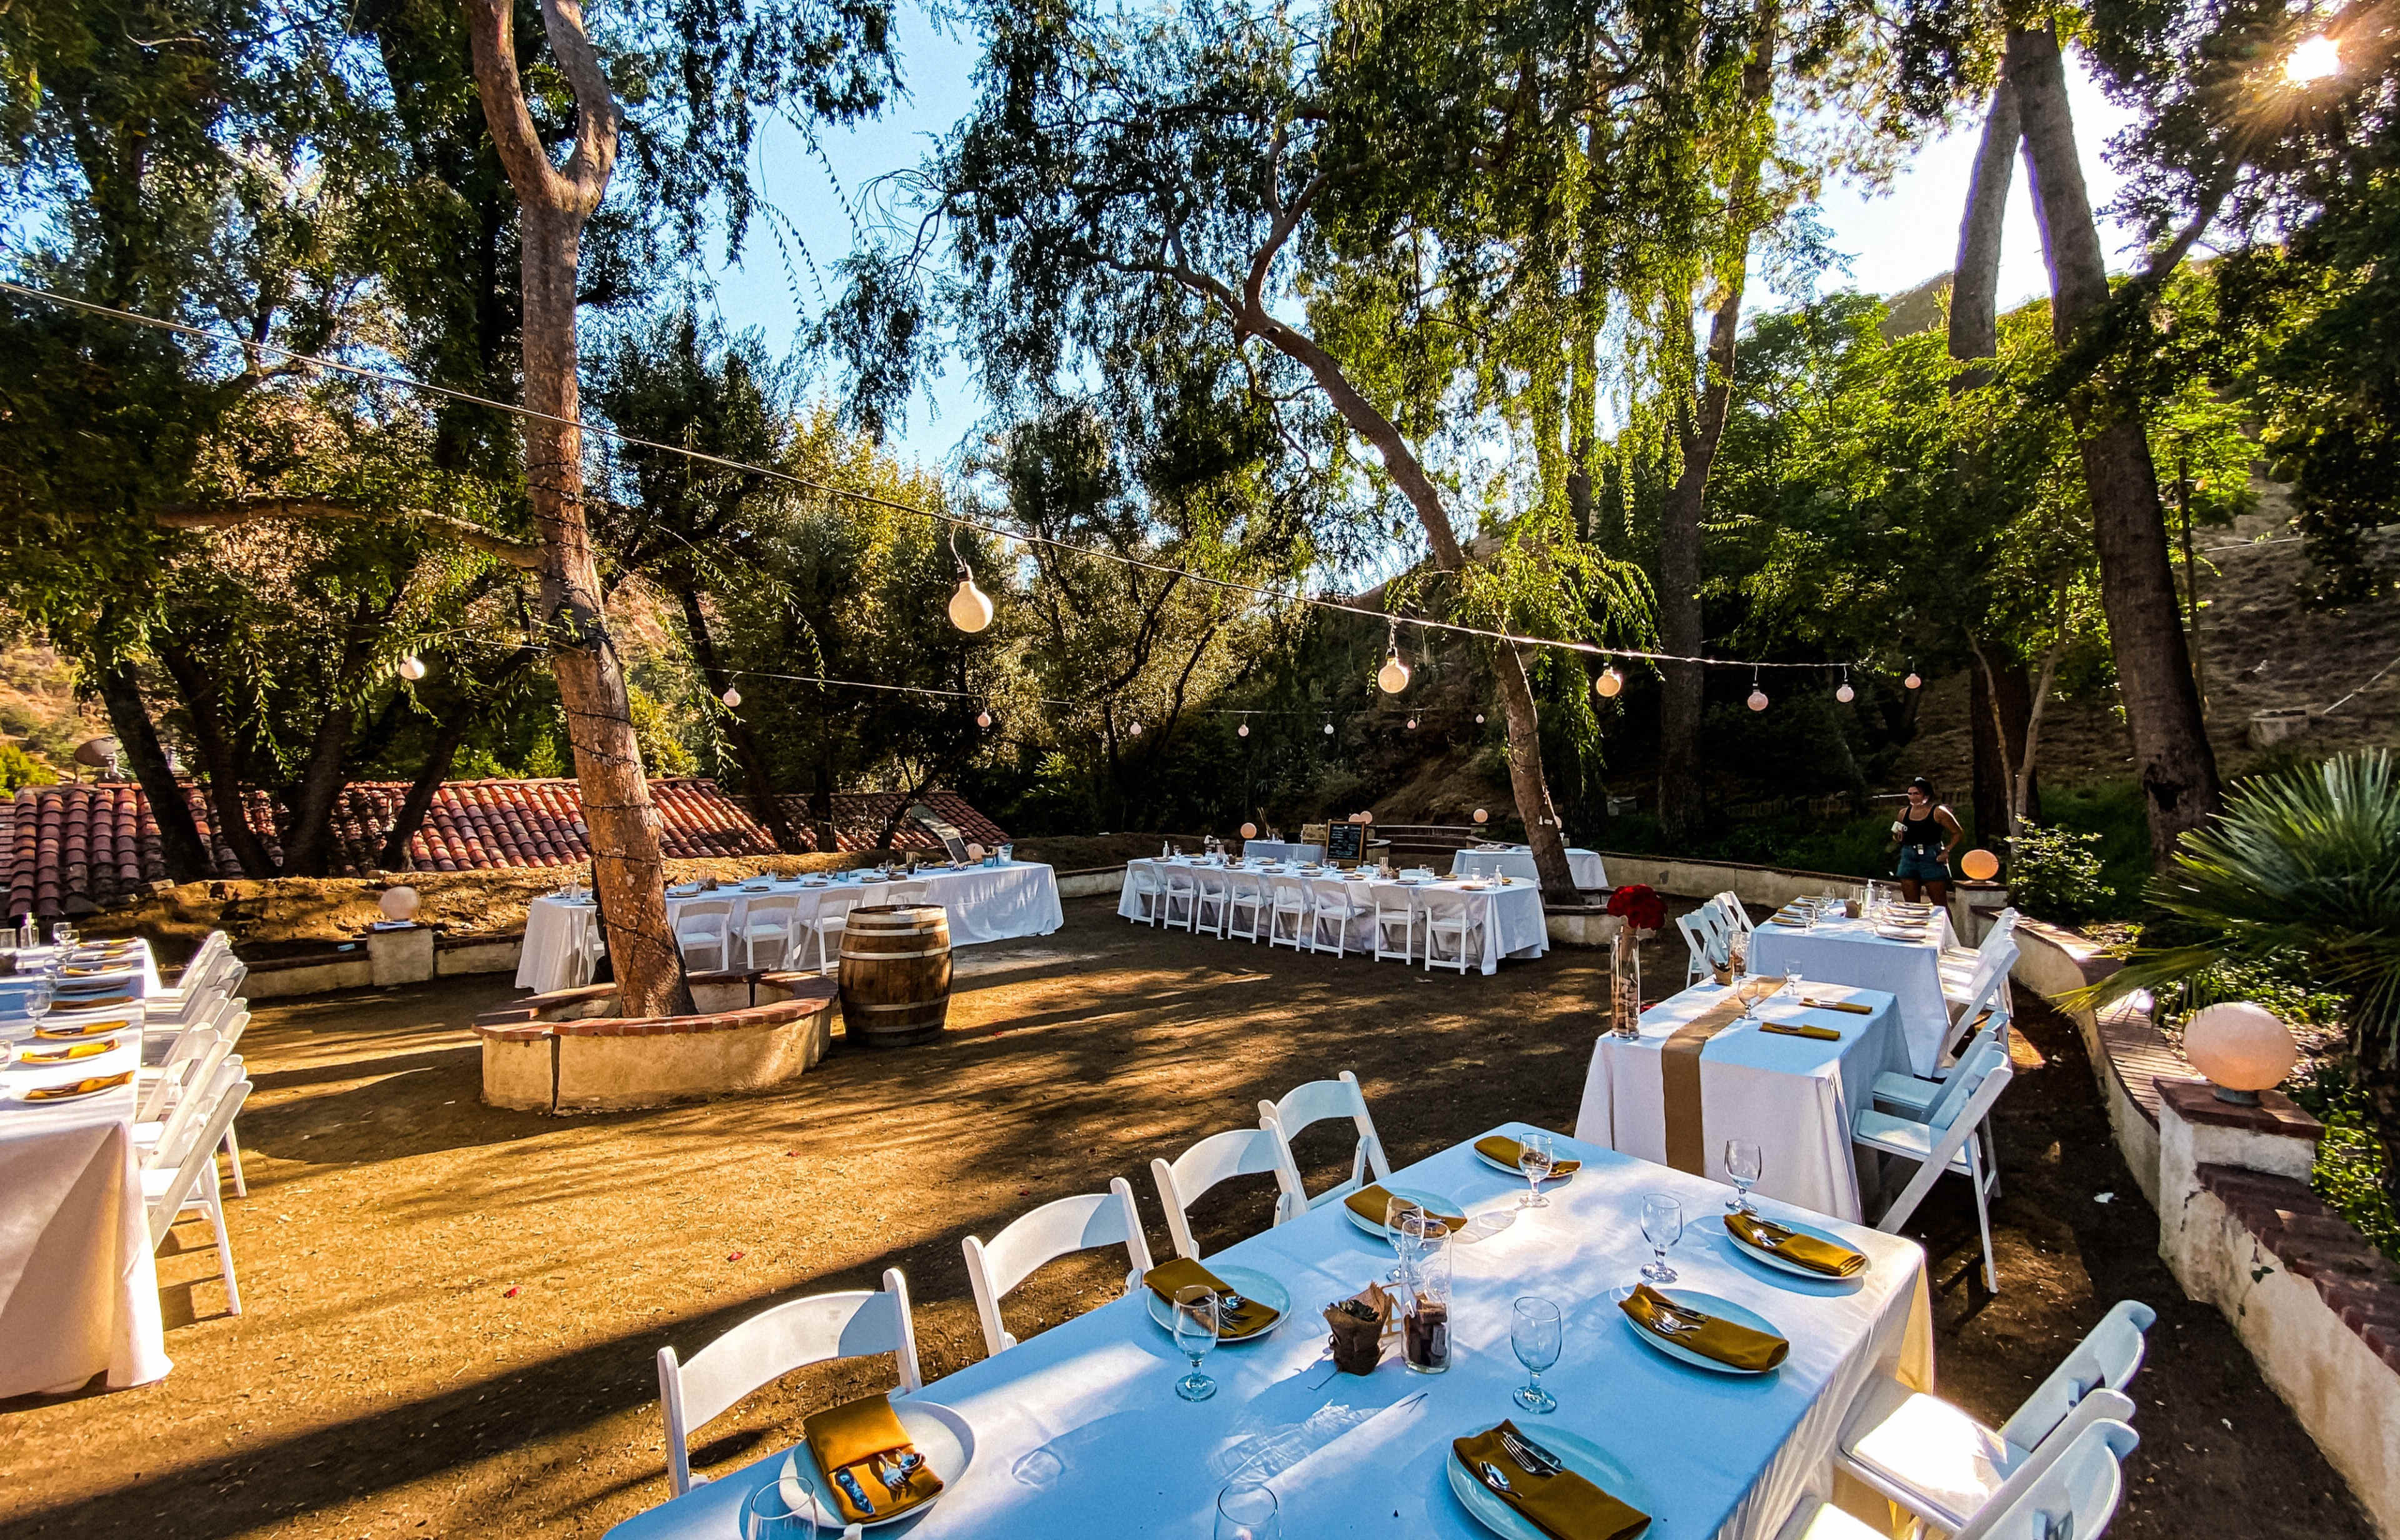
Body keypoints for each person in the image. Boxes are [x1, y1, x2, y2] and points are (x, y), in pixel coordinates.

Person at [1888, 776, 1962, 904]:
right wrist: (1897, 836)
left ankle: (1946, 924)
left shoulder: (1938, 812)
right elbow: (1897, 835)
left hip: (1931, 856)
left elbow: (1958, 833)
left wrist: (1947, 850)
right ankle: (1914, 924)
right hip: (1908, 856)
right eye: (1910, 794)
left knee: (1940, 904)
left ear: (1926, 795)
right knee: (1911, 904)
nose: (1912, 797)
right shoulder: (1903, 813)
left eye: (1916, 793)